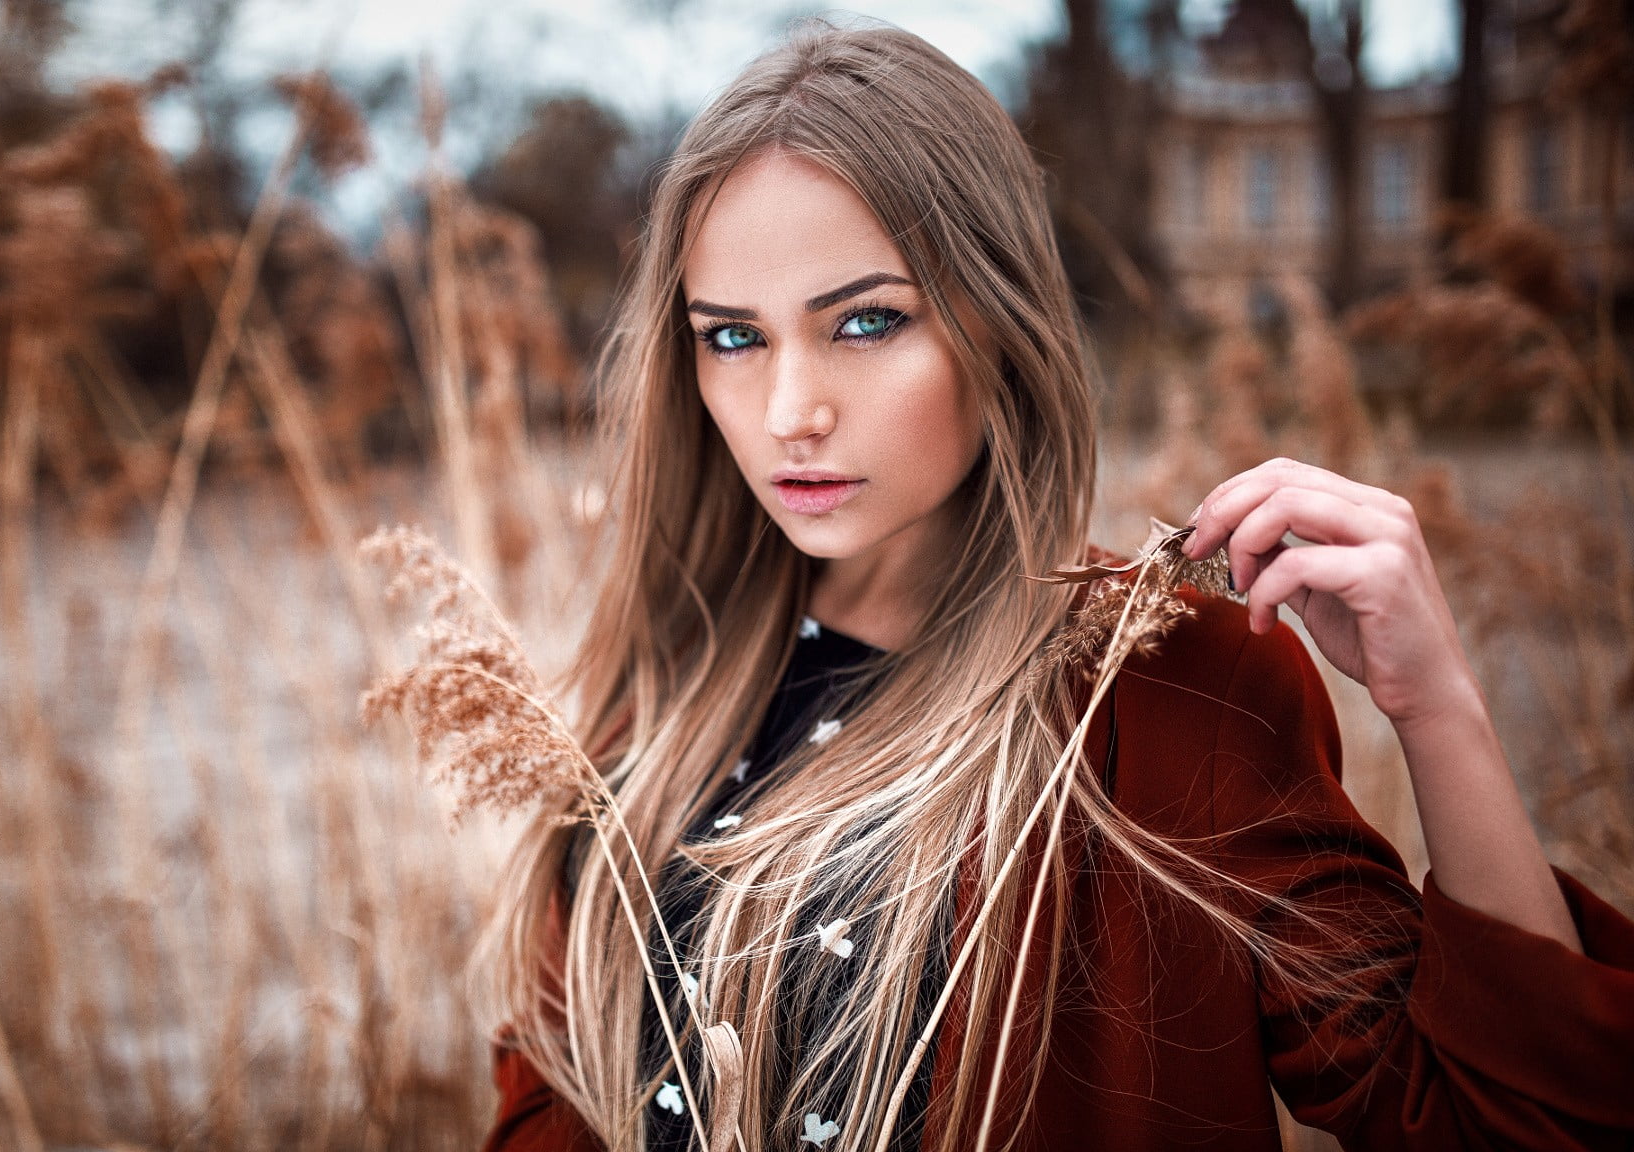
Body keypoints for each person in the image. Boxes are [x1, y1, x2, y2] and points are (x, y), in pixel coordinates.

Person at [475, 17, 1634, 1152]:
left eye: (865, 322)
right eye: (731, 338)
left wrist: (1437, 706)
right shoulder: (653, 721)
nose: (789, 413)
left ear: (999, 324)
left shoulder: (1164, 688)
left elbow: (1501, 1121)